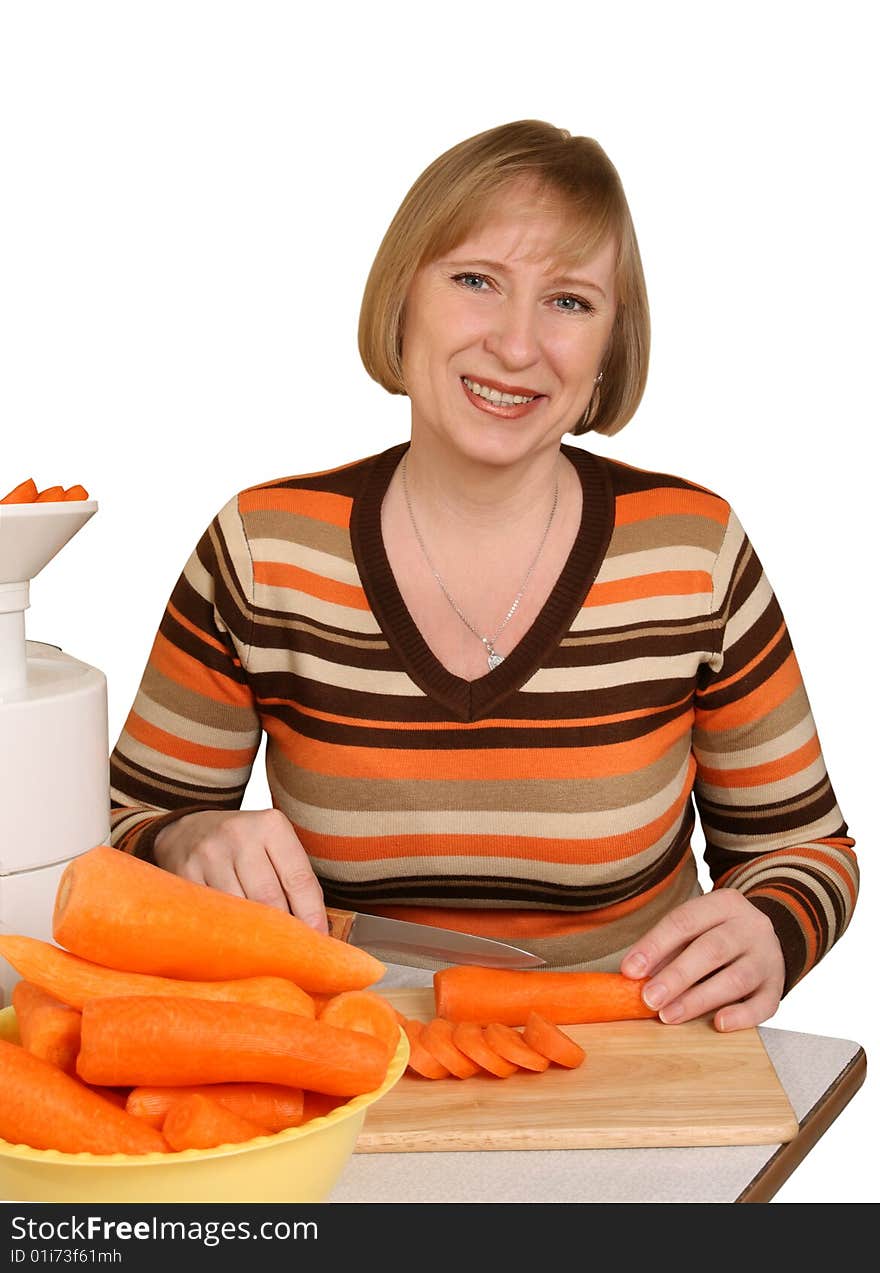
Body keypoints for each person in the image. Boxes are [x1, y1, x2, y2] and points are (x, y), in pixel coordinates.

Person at [108, 119, 857, 1032]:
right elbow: (119, 827)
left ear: (610, 345)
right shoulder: (265, 552)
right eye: (476, 281)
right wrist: (183, 839)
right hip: (340, 1071)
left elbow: (805, 851)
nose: (515, 344)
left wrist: (773, 928)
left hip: (642, 1067)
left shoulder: (693, 551)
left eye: (570, 301)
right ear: (403, 298)